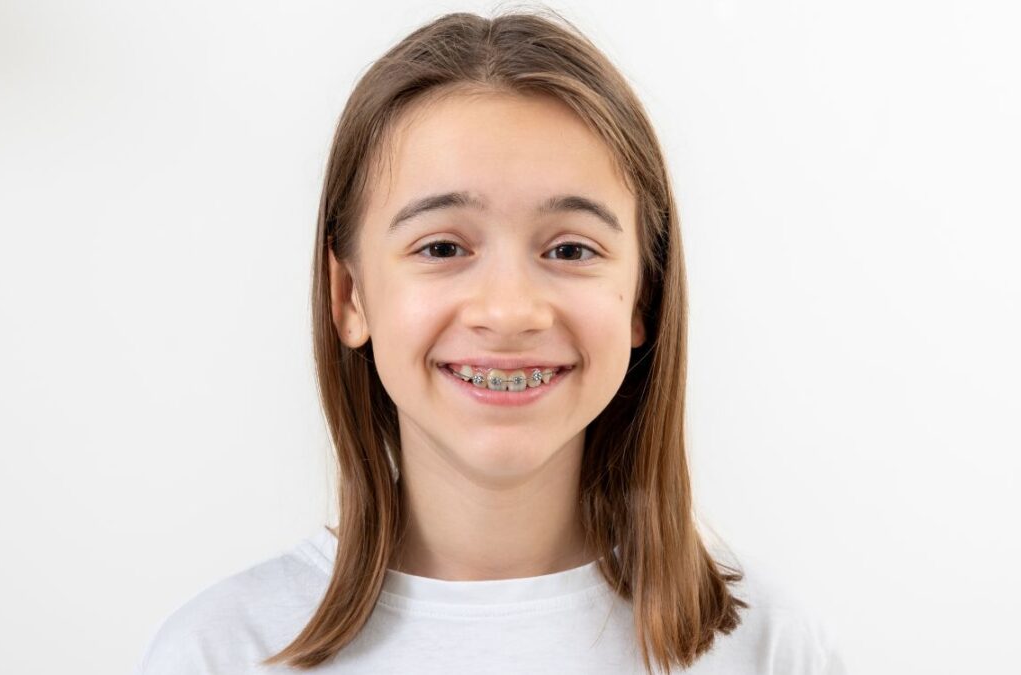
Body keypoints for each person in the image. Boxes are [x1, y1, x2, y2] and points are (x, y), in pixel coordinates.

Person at [135, 9, 845, 674]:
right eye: (442, 245)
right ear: (349, 296)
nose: (509, 312)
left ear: (644, 296)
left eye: (570, 250)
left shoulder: (764, 647)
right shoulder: (222, 651)